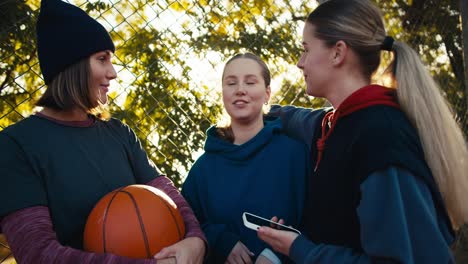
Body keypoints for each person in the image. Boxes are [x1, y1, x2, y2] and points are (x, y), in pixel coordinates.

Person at [257, 0, 468, 263]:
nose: (300, 63)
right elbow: (300, 119)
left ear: (337, 53)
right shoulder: (341, 123)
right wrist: (257, 107)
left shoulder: (381, 138)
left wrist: (301, 249)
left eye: (306, 49)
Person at [0, 0, 206, 263]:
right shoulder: (15, 146)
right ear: (71, 65)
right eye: (102, 59)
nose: (113, 72)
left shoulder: (119, 133)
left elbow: (167, 194)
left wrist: (195, 239)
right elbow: (38, 253)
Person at [181, 53, 310, 264]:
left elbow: (315, 218)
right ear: (222, 93)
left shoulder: (294, 154)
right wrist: (219, 240)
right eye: (231, 83)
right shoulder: (203, 169)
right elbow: (186, 224)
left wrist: (274, 255)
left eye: (250, 82)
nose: (240, 89)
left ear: (267, 93)